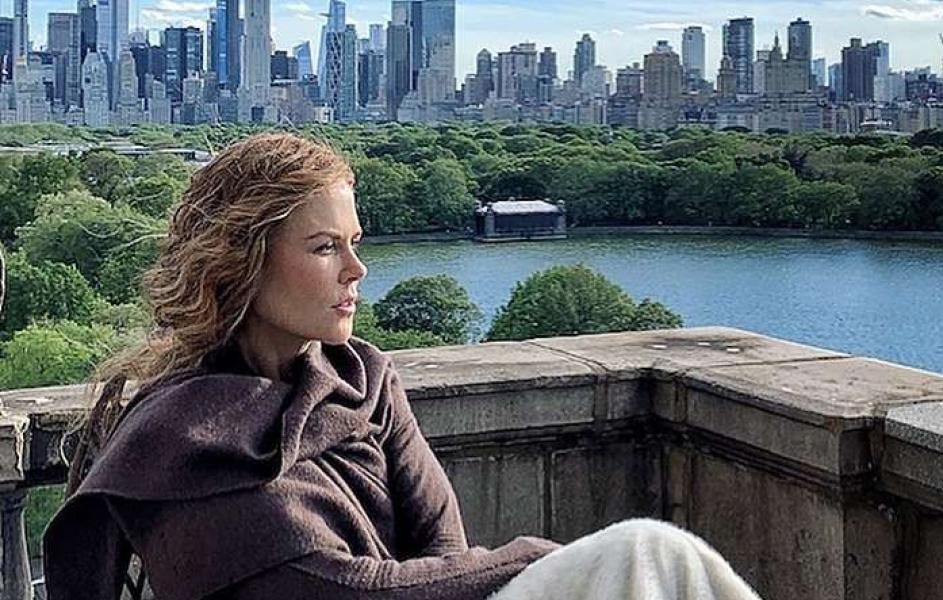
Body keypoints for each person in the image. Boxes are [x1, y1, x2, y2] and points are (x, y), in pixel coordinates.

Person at [42, 132, 762, 600]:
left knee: (659, 559)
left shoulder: (364, 379)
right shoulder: (177, 439)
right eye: (325, 247)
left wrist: (508, 568)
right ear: (242, 262)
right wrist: (537, 558)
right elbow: (340, 590)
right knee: (645, 554)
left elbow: (446, 549)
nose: (356, 270)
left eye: (355, 242)